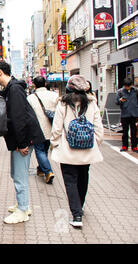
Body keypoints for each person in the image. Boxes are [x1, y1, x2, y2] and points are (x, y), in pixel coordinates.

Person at [0, 61, 45, 224]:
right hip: (20, 139)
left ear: (0, 72)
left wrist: (22, 144)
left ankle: (22, 210)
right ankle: (22, 205)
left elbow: (19, 118)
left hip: (24, 139)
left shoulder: (14, 89)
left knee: (20, 176)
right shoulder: (11, 89)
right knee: (16, 174)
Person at [50, 75, 104, 228]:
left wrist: (54, 143)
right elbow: (98, 127)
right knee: (83, 178)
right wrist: (96, 143)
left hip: (68, 151)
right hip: (87, 149)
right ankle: (80, 206)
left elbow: (57, 128)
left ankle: (77, 215)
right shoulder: (92, 103)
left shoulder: (63, 104)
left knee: (70, 181)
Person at [27, 76, 58, 184]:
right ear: (45, 84)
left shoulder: (30, 98)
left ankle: (48, 171)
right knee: (44, 150)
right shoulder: (54, 95)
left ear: (34, 85)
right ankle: (41, 169)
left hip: (37, 128)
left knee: (40, 151)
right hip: (51, 127)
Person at [115, 78, 138, 152]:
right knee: (125, 132)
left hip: (134, 114)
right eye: (126, 86)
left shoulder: (136, 91)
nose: (127, 87)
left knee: (134, 132)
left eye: (128, 86)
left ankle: (134, 146)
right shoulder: (120, 91)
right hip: (124, 114)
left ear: (131, 85)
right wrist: (120, 100)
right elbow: (116, 102)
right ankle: (124, 146)